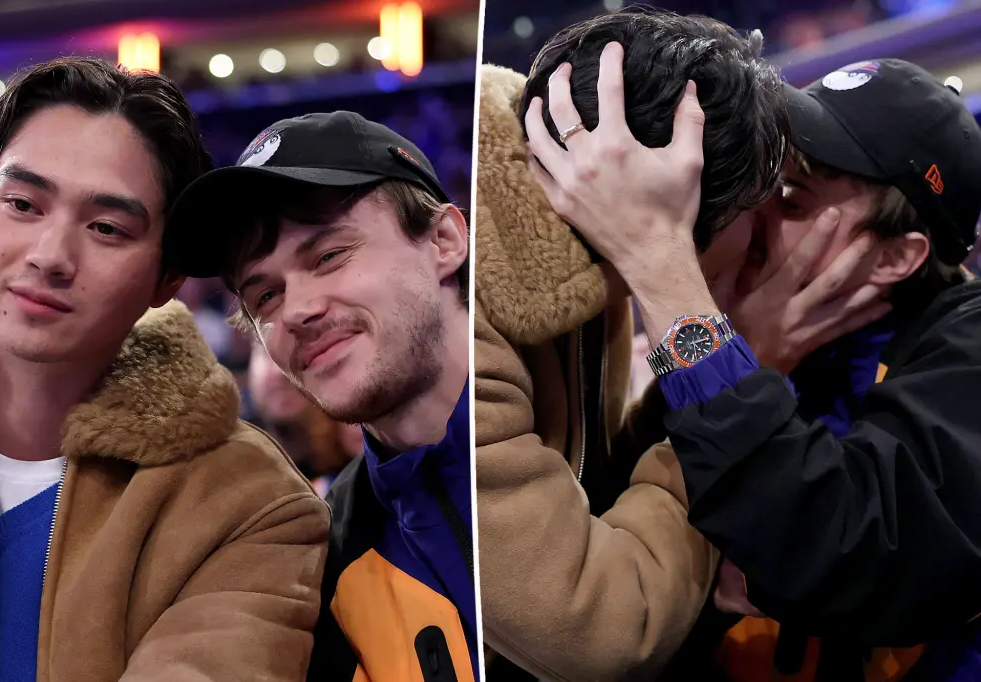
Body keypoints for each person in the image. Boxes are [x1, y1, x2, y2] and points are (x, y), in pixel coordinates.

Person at [531, 51, 981, 682]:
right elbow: (614, 528)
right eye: (765, 177)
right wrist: (747, 350)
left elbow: (854, 555)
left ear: (894, 258)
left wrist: (668, 277)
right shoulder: (756, 323)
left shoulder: (967, 344)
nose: (754, 205)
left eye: (792, 195)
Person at [0, 57, 330, 681]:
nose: (51, 256)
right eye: (23, 203)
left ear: (168, 278)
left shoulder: (248, 503)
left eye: (106, 227)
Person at [473, 8, 800, 680]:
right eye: (761, 208)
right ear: (677, 201)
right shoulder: (465, 303)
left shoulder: (568, 258)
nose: (771, 236)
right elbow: (598, 629)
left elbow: (596, 482)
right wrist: (721, 368)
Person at [165, 111, 475, 681]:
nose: (298, 311)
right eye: (266, 295)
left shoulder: (594, 431)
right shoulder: (315, 567)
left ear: (445, 241)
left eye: (329, 256)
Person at [247, 340, 361, 495]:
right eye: (267, 353)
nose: (279, 372)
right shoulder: (230, 469)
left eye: (299, 353)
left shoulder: (363, 463)